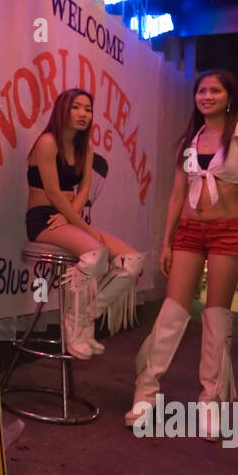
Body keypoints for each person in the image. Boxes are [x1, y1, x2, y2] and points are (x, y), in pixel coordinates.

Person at [127, 69, 238, 437]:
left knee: (217, 316)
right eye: (201, 91)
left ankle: (210, 402)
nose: (206, 96)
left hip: (227, 231)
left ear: (229, 96)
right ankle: (146, 392)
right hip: (189, 231)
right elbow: (176, 195)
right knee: (172, 311)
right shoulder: (188, 140)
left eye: (215, 91)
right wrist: (167, 241)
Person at [24, 88, 145, 359]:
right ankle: (73, 326)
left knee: (132, 261)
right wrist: (85, 227)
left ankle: (83, 319)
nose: (83, 114)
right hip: (43, 218)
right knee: (96, 254)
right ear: (62, 110)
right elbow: (53, 193)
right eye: (76, 107)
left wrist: (70, 218)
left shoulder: (84, 148)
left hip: (66, 217)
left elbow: (85, 190)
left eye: (88, 109)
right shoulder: (47, 142)